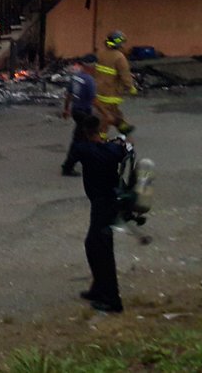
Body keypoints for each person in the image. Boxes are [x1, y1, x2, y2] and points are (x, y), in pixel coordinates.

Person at [71, 113, 128, 313]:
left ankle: (112, 299)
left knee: (101, 249)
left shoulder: (84, 150)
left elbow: (74, 149)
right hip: (110, 202)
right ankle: (99, 288)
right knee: (94, 245)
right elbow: (125, 149)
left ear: (85, 133)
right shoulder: (112, 150)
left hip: (103, 204)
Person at [93, 30, 137, 139]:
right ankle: (102, 134)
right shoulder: (119, 57)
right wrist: (130, 87)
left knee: (112, 111)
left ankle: (123, 127)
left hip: (99, 88)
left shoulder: (101, 53)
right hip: (111, 90)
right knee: (107, 114)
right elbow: (124, 75)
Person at [61, 53, 98, 176]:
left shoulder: (76, 77)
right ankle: (68, 166)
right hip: (84, 111)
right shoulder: (89, 80)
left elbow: (69, 94)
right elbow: (93, 100)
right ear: (91, 66)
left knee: (82, 138)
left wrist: (66, 109)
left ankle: (84, 162)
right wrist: (103, 112)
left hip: (76, 110)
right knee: (82, 140)